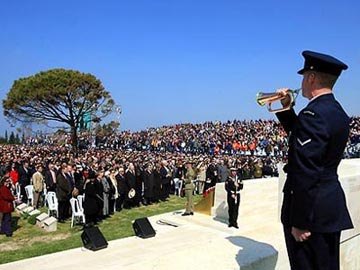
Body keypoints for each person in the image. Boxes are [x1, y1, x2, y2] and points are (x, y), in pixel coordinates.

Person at [275, 50, 353, 270]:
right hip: (327, 208)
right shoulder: (336, 112)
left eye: (303, 77)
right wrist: (286, 109)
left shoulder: (313, 115)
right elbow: (303, 137)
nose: (301, 82)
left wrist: (300, 222)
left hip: (310, 215)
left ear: (311, 78)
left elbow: (306, 171)